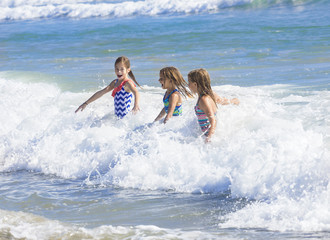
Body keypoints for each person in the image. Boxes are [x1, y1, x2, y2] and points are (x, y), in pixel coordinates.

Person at [75, 56, 141, 119]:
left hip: (126, 119)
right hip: (118, 119)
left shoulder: (127, 83)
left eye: (122, 69)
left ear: (128, 70)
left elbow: (136, 92)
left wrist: (136, 105)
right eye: (117, 69)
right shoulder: (115, 82)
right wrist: (86, 103)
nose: (119, 71)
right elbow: (101, 92)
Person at [188, 68, 239, 142]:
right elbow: (221, 101)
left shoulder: (203, 100)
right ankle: (234, 101)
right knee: (223, 101)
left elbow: (213, 120)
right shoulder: (211, 94)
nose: (188, 85)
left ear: (195, 84)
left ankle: (234, 101)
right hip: (212, 133)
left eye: (189, 82)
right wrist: (232, 101)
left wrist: (209, 138)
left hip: (210, 135)